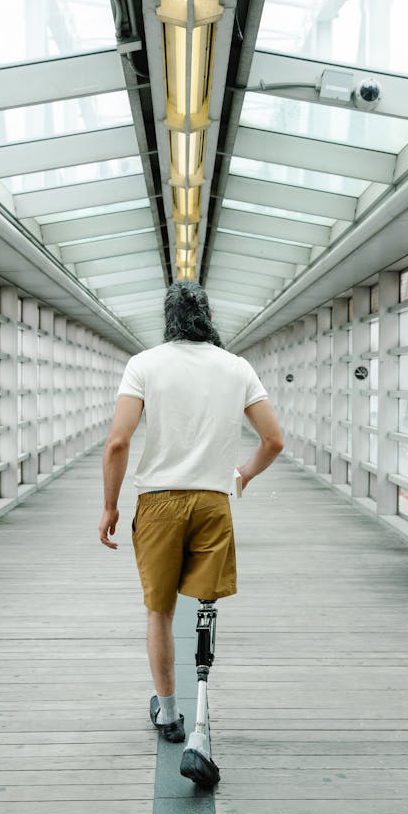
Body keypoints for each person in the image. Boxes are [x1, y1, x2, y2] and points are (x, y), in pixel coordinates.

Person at [98, 281, 283, 742]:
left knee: (159, 611)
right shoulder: (237, 368)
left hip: (158, 501)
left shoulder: (144, 365)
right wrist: (241, 476)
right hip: (213, 501)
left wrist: (109, 506)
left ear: (168, 320)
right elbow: (273, 440)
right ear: (211, 318)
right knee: (205, 607)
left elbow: (118, 441)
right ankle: (202, 710)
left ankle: (167, 713)